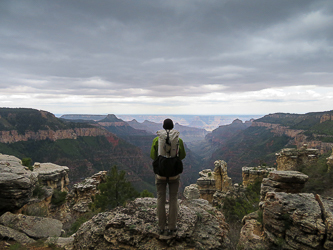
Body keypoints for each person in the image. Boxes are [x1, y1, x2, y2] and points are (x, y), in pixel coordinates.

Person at [150, 118, 186, 235]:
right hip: (174, 175)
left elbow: (152, 155)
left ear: (163, 127)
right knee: (173, 198)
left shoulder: (157, 139)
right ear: (173, 127)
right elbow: (182, 156)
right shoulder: (178, 140)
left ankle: (161, 227)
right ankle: (172, 226)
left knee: (161, 197)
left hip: (160, 174)